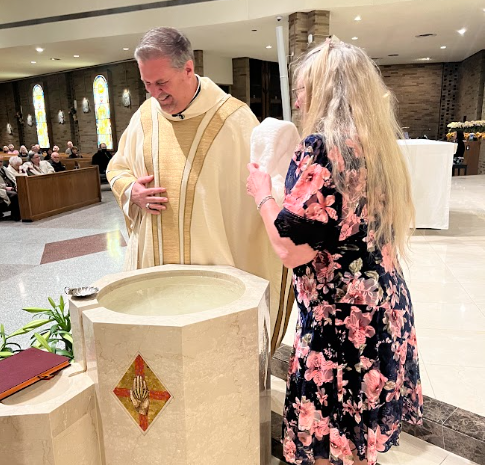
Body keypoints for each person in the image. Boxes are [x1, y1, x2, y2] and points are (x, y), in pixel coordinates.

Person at [246, 38, 423, 465]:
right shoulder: (378, 146)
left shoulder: (323, 148)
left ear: (330, 88)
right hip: (382, 312)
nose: (300, 98)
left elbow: (291, 250)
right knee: (359, 440)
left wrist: (261, 195)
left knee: (327, 442)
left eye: (306, 86)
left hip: (339, 325)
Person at [107, 26, 291, 351]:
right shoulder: (144, 118)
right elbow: (117, 167)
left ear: (188, 68)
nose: (155, 94)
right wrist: (131, 190)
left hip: (213, 277)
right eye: (147, 84)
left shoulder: (234, 120)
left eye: (161, 82)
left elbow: (261, 193)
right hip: (154, 268)